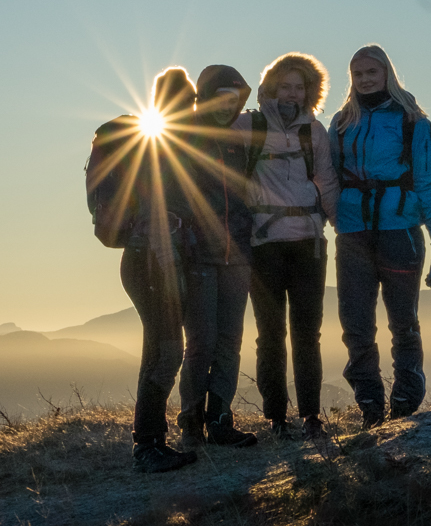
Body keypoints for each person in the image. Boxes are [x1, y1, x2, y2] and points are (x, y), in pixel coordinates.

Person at [329, 44, 431, 427]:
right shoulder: (342, 121)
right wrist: (336, 218)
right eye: (357, 74)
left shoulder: (412, 120)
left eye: (371, 72)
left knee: (403, 322)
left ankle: (406, 400)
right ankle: (370, 406)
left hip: (400, 230)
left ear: (387, 74)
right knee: (356, 324)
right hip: (353, 233)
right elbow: (329, 175)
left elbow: (426, 179)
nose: (364, 80)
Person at [239, 53, 339, 439]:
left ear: (309, 92)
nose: (292, 94)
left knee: (307, 334)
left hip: (309, 244)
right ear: (271, 88)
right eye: (285, 86)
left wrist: (341, 228)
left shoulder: (314, 132)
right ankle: (276, 417)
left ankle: (311, 415)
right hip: (264, 243)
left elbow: (326, 180)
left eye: (299, 87)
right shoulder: (250, 125)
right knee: (270, 334)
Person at [174, 64, 260, 447]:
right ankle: (191, 421)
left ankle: (220, 419)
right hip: (199, 258)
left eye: (234, 99)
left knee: (230, 341)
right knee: (202, 341)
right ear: (205, 98)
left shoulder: (238, 141)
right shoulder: (185, 137)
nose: (228, 106)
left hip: (237, 257)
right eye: (221, 98)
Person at [120, 67, 202, 472]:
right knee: (168, 352)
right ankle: (148, 445)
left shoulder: (159, 143)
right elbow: (155, 212)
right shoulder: (159, 147)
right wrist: (168, 265)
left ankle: (150, 442)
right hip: (153, 263)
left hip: (145, 262)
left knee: (157, 350)